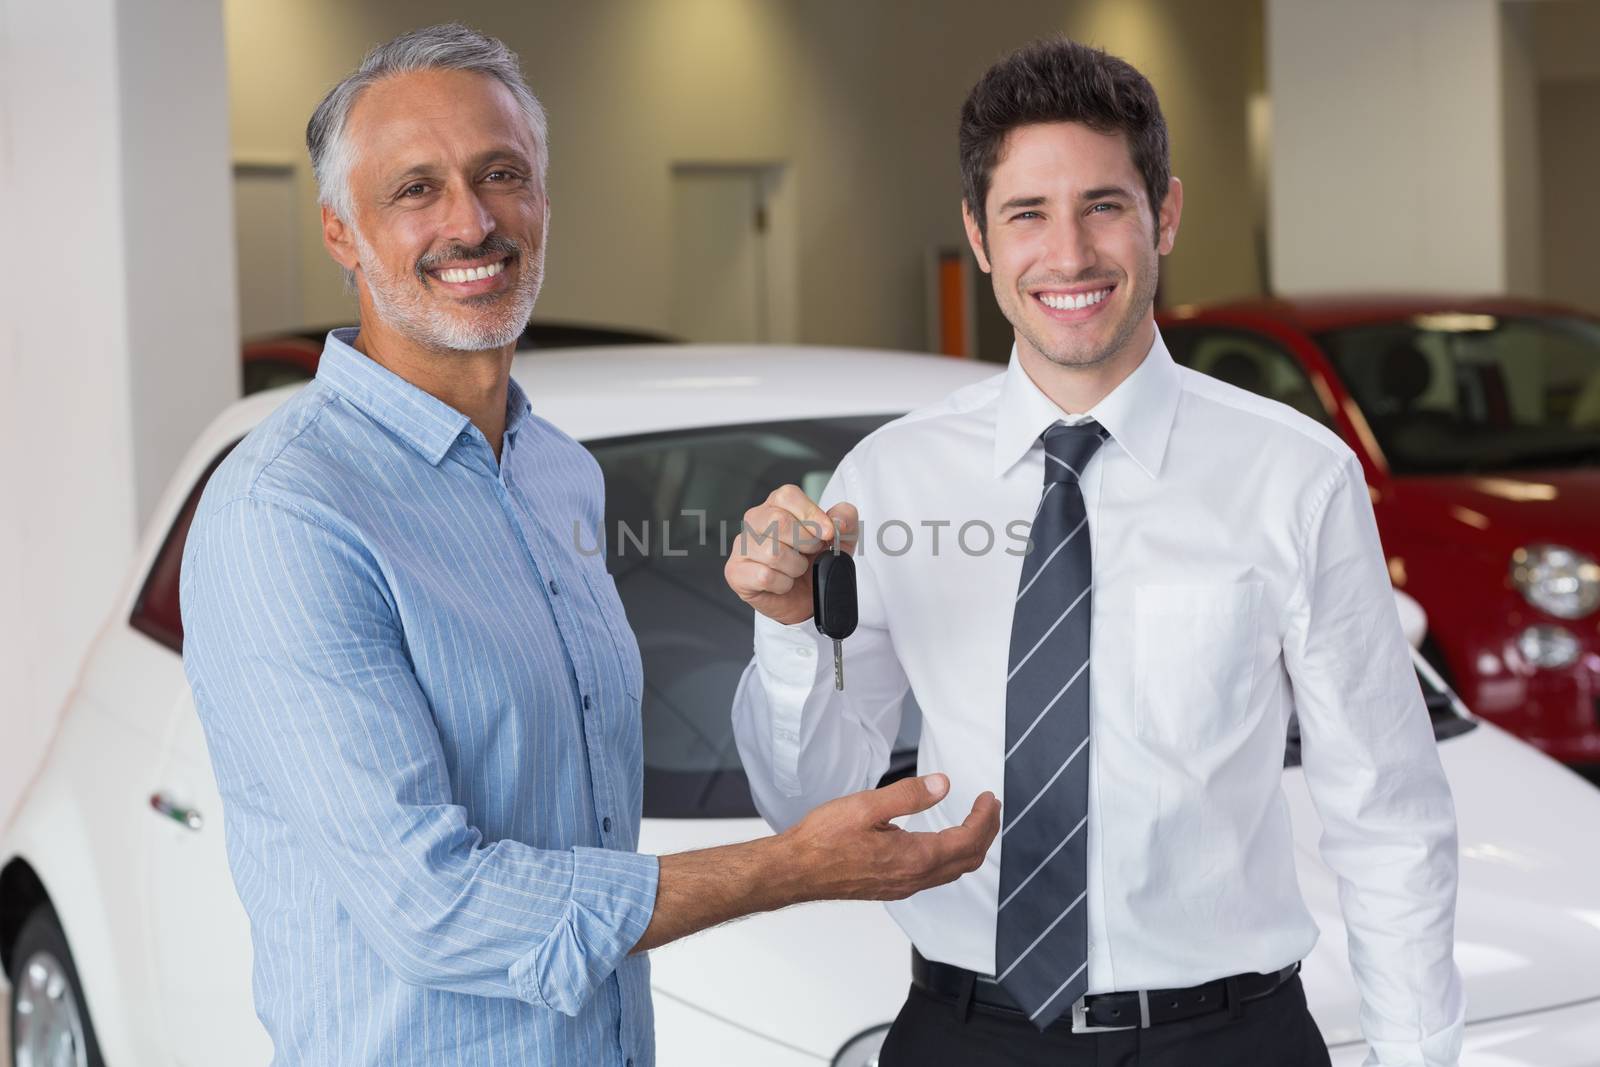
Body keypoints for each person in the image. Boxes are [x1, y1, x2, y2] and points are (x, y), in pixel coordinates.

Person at [179, 23, 998, 1067]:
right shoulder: (286, 511)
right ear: (341, 231)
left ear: (544, 201)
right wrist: (789, 867)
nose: (472, 221)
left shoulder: (556, 469)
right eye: (416, 190)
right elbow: (432, 905)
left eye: (500, 174)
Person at [727, 36, 1463, 1067]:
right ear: (979, 237)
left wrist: (1417, 1053)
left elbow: (1386, 810)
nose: (1067, 255)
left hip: (1226, 1037)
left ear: (1163, 212)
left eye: (1102, 206)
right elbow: (812, 805)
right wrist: (792, 631)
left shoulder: (1295, 474)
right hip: (963, 1034)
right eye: (1027, 213)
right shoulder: (885, 481)